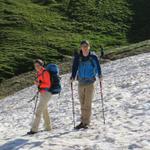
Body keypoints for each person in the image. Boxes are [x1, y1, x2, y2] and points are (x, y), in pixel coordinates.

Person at [70, 40, 102, 129]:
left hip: (90, 82)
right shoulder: (78, 57)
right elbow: (74, 67)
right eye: (83, 46)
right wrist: (72, 76)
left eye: (86, 46)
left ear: (89, 47)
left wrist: (100, 75)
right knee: (82, 103)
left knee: (87, 103)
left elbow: (98, 66)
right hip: (80, 82)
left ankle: (86, 122)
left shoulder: (93, 57)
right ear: (81, 47)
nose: (84, 48)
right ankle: (83, 121)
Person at [27, 59, 52, 135]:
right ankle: (48, 127)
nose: (36, 67)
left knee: (38, 111)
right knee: (44, 110)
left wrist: (39, 84)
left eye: (38, 65)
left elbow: (48, 84)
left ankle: (34, 129)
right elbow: (41, 83)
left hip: (47, 93)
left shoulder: (45, 72)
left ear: (41, 65)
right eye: (35, 66)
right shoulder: (39, 73)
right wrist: (38, 83)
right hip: (43, 93)